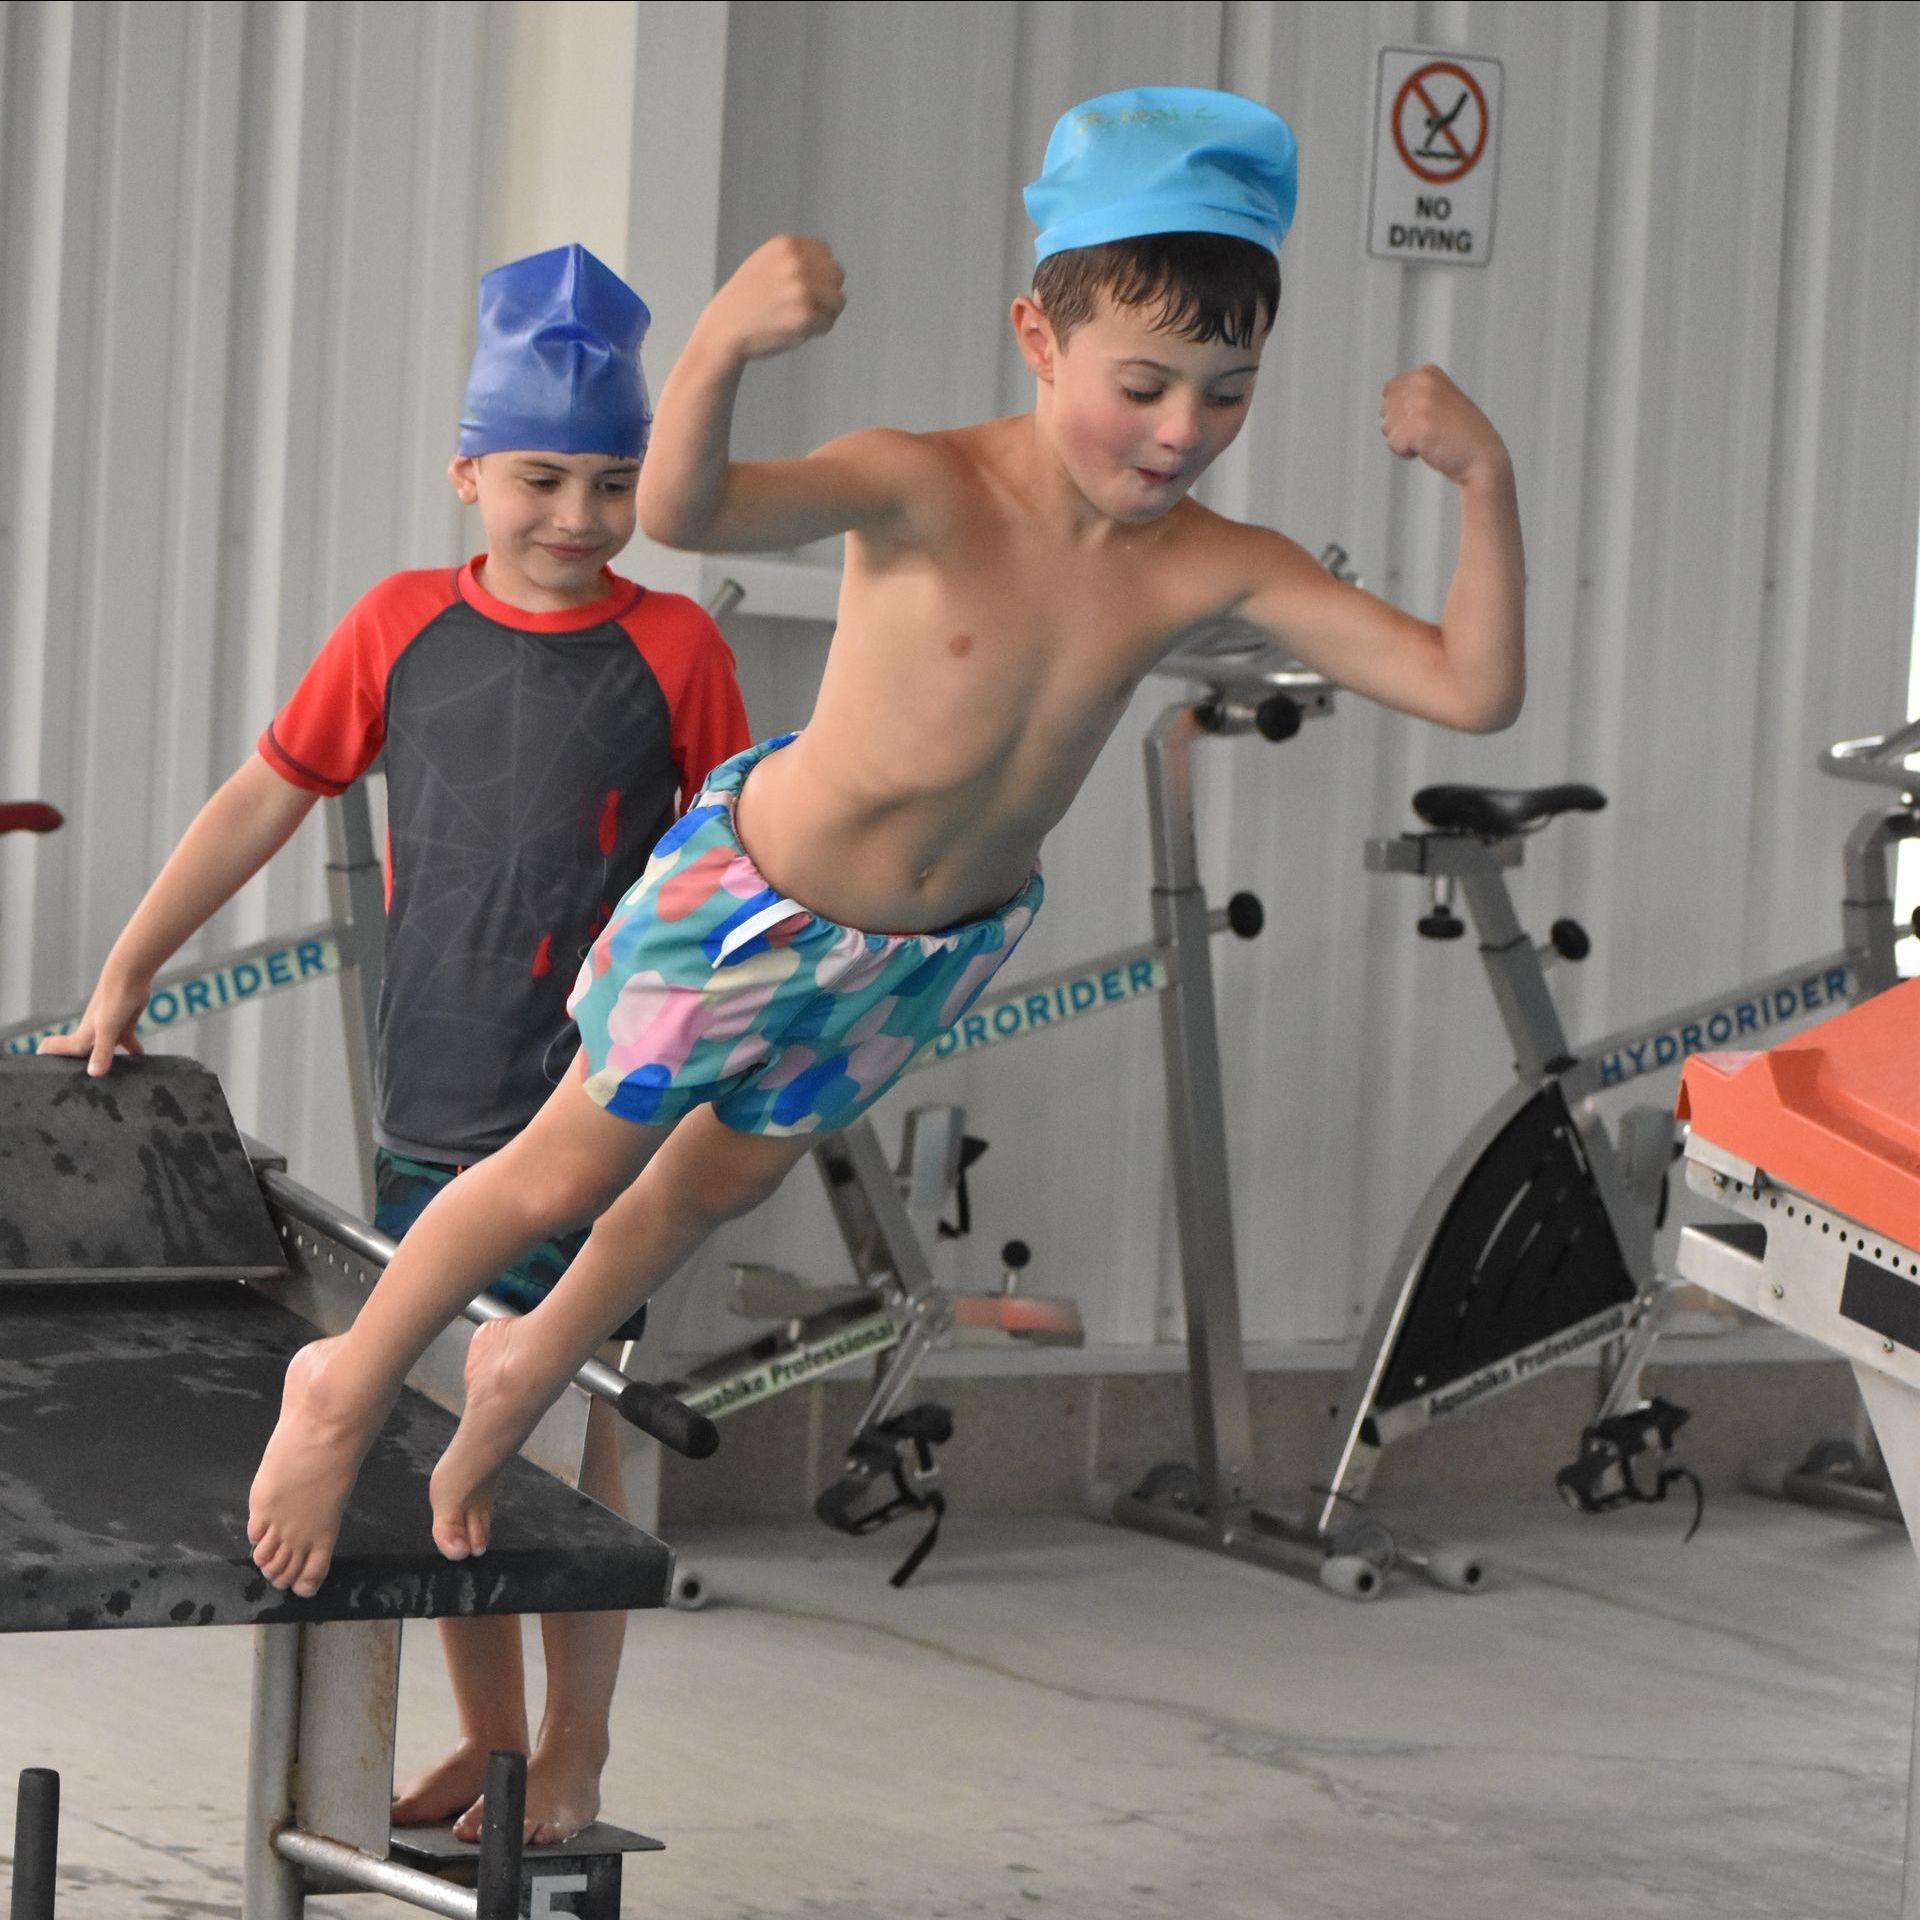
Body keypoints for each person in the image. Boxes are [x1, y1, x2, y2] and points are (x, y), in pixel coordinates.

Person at [244, 85, 1524, 1612]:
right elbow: (693, 508)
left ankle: (531, 1357)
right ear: (1039, 340)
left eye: (1228, 392)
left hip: (929, 948)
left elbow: (1469, 688)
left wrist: (1485, 484)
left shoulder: (1210, 564)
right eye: (1147, 381)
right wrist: (720, 343)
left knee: (708, 1190)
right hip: (755, 907)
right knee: (562, 1170)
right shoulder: (923, 483)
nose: (1184, 429)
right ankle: (342, 1383)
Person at [43, 244, 750, 1845]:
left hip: (597, 1112)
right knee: (450, 1419)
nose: (575, 517)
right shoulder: (399, 628)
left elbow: (744, 874)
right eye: (540, 478)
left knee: (564, 1424)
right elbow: (263, 797)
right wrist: (129, 965)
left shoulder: (679, 654)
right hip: (432, 1097)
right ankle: (492, 1749)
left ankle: (574, 1751)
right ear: (468, 471)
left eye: (613, 482)